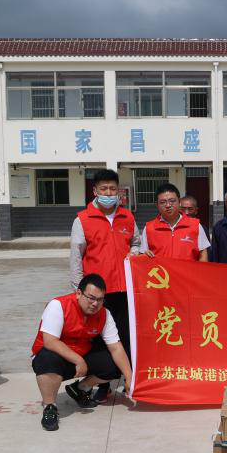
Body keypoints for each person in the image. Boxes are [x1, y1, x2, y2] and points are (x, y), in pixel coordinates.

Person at [69, 168, 139, 404]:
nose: (109, 193)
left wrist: (134, 252)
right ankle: (102, 384)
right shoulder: (82, 219)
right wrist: (79, 292)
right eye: (104, 189)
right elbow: (76, 257)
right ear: (95, 191)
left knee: (125, 337)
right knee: (100, 341)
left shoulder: (127, 217)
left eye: (113, 189)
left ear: (119, 191)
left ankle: (129, 381)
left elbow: (136, 242)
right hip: (97, 295)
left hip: (125, 290)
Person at [32, 274, 133, 432]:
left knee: (114, 365)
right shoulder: (58, 305)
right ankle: (49, 406)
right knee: (47, 359)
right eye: (91, 298)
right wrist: (78, 360)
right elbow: (50, 341)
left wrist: (129, 377)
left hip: (81, 355)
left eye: (100, 299)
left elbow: (116, 347)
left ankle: (80, 388)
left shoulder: (104, 314)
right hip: (56, 355)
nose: (95, 304)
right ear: (79, 293)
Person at [140, 183, 210, 261]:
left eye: (172, 201)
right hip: (160, 269)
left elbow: (203, 254)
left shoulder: (195, 225)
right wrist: (144, 256)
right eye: (163, 202)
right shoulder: (149, 228)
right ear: (157, 205)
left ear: (179, 202)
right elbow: (142, 255)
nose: (168, 205)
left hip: (187, 269)